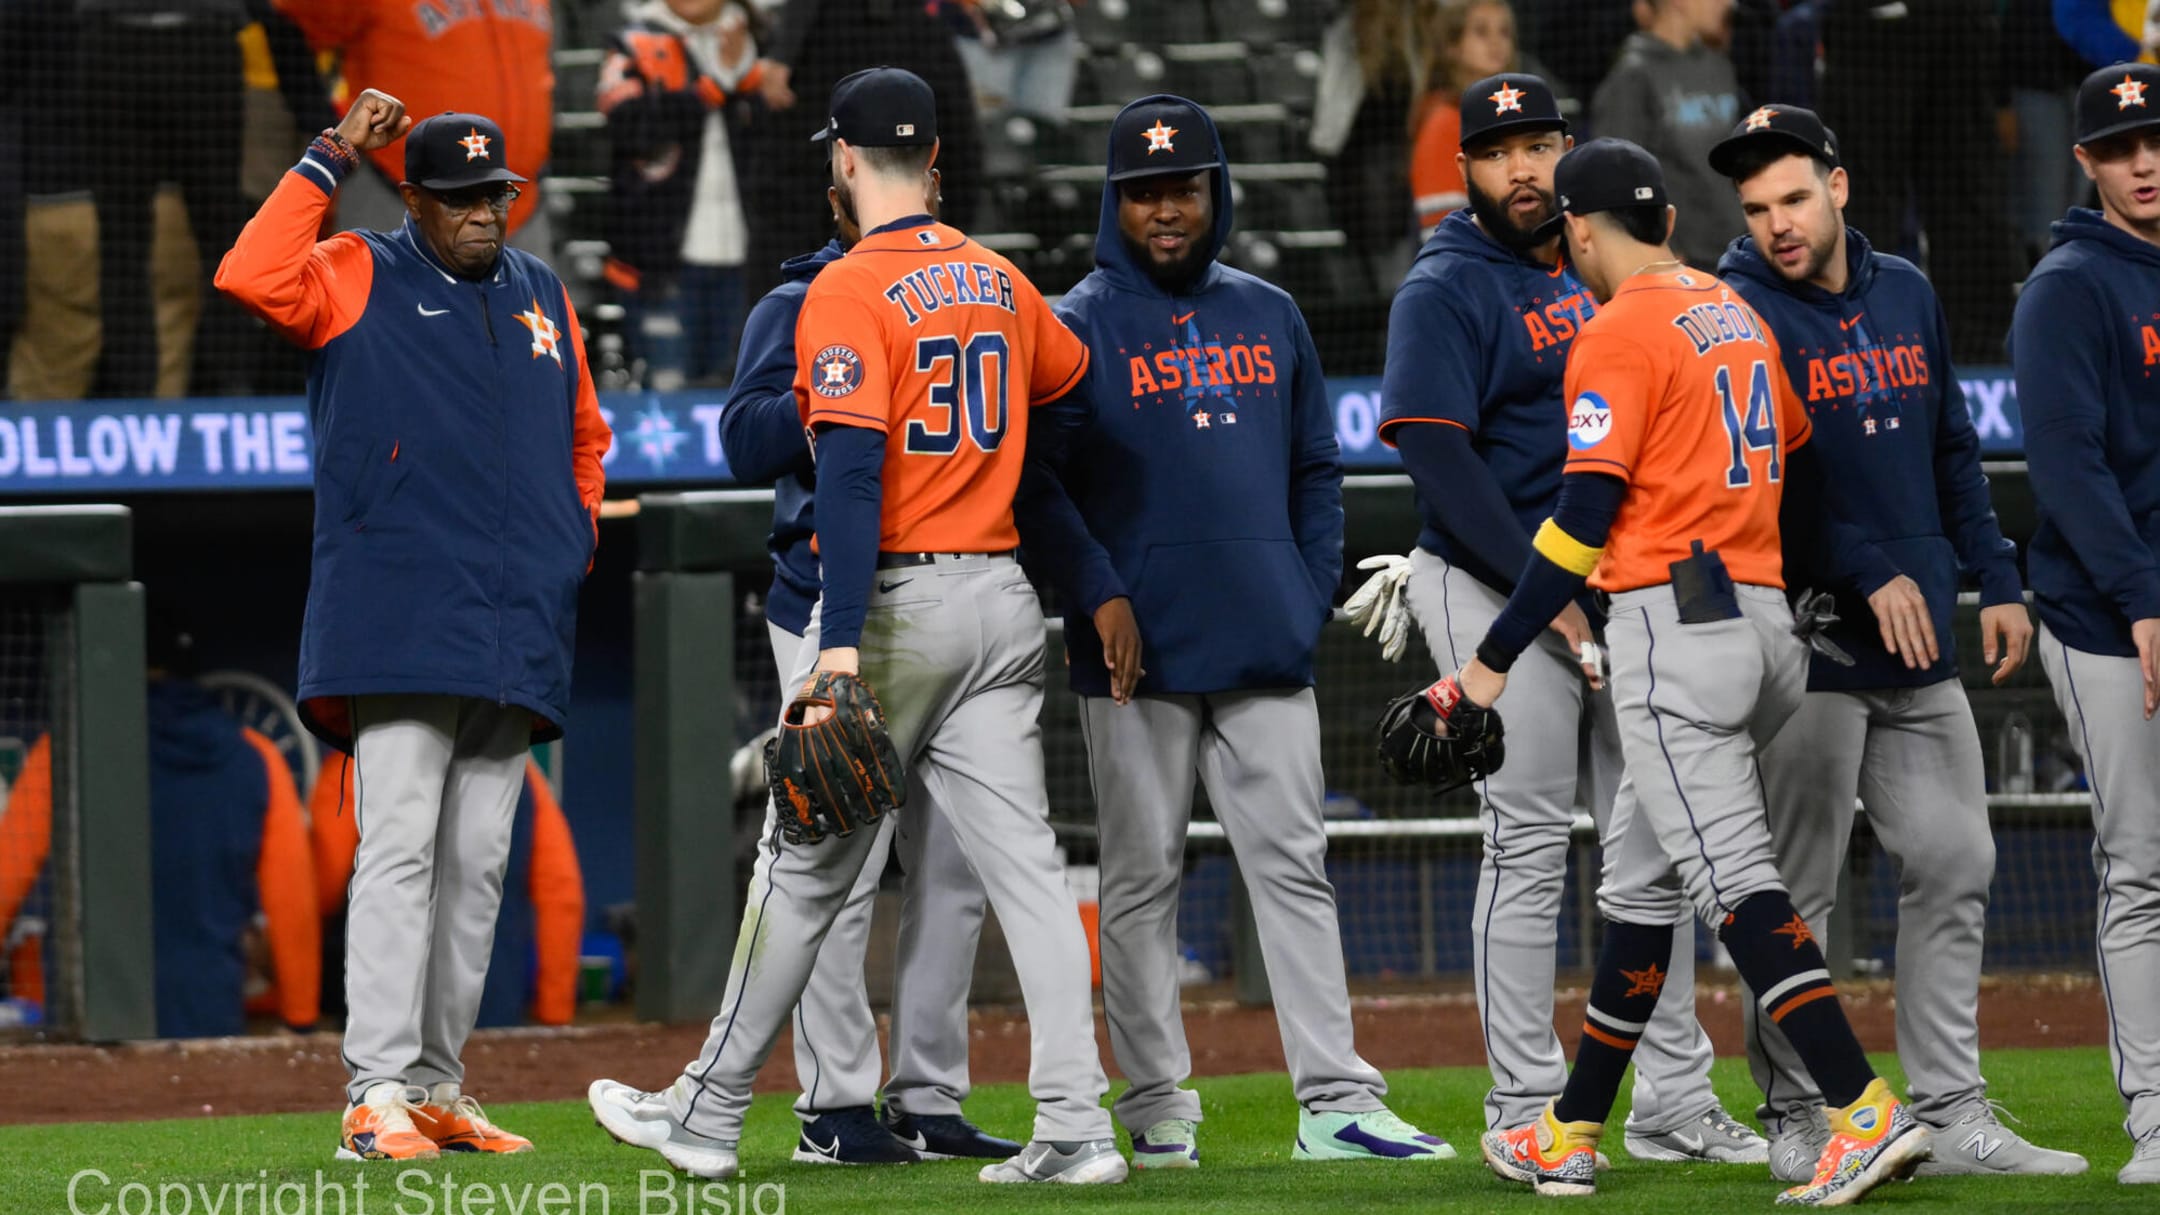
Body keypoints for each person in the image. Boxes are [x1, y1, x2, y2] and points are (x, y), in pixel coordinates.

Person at [587, 66, 1122, 1185]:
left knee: (800, 865)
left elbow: (852, 469)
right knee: (1027, 871)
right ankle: (1078, 1127)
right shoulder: (998, 276)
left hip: (897, 607)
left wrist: (836, 645)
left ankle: (706, 1108)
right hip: (1002, 595)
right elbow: (1080, 390)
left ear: (840, 159)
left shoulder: (842, 287)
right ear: (933, 161)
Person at [1456, 137, 1933, 1205]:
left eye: (1565, 234)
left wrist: (1485, 664)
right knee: (1640, 888)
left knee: (1733, 884)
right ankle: (1572, 1128)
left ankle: (1864, 1113)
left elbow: (1580, 526)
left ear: (1579, 229)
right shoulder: (1738, 312)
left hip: (1676, 631)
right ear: (1667, 218)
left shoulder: (1616, 329)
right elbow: (1801, 469)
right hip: (1762, 627)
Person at [1015, 93, 1443, 1169]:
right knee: (1142, 876)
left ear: (1218, 193)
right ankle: (1157, 1109)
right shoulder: (1072, 321)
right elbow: (1037, 485)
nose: (1169, 210)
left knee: (1294, 868)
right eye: (1148, 192)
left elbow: (1315, 468)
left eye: (1186, 188)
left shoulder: (1270, 311)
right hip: (1131, 656)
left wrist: (1304, 591)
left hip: (1263, 641)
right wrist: (1099, 592)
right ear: (1118, 202)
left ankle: (1337, 1105)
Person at [216, 92, 612, 1161]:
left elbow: (587, 433)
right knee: (398, 850)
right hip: (396, 607)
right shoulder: (355, 271)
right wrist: (329, 153)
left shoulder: (540, 293)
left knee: (480, 858)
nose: (485, 212)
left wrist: (567, 539)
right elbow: (250, 275)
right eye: (460, 197)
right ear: (413, 198)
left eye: (497, 194)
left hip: (514, 617)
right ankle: (373, 1089)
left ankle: (438, 1083)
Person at [1372, 73, 1756, 1164]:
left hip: (1618, 589)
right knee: (1530, 841)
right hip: (1492, 583)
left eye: (1540, 144)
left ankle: (1677, 1102)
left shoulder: (1611, 273)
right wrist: (1554, 605)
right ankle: (1524, 1108)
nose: (1524, 169)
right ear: (1467, 173)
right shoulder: (1445, 286)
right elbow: (1440, 460)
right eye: (1499, 152)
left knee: (1662, 849)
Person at [1711, 103, 2090, 1181]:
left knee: (1957, 858)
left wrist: (1999, 575)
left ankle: (1953, 1109)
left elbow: (1952, 450)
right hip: (1810, 640)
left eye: (1792, 197)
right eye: (1755, 208)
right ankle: (1797, 1115)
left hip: (1921, 635)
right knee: (1799, 889)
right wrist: (1867, 566)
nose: (1777, 224)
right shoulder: (1738, 314)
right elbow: (1769, 487)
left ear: (1839, 186)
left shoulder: (1909, 291)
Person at [712, 157, 1015, 1165]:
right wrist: (832, 386)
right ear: (840, 194)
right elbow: (743, 442)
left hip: (943, 601)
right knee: (838, 860)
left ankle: (927, 1093)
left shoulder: (964, 292)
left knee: (955, 863)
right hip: (824, 612)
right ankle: (834, 1107)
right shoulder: (799, 298)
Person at [2012, 60, 2160, 1188]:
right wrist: (2144, 600)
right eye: (2118, 148)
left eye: (2153, 139)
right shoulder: (2068, 285)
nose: (2142, 161)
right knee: (2143, 862)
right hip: (2108, 615)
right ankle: (2156, 1113)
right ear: (2086, 164)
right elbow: (2065, 468)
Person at [0, 625, 319, 1040]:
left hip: (95, 1018)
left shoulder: (67, 747)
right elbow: (293, 901)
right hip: (207, 1012)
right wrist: (300, 1019)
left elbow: (8, 876)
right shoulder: (254, 755)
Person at [309, 753, 586, 1030]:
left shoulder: (358, 760)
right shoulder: (521, 771)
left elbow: (322, 887)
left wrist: (301, 1009)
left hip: (384, 1000)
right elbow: (561, 895)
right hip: (489, 1002)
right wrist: (554, 1011)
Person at [1814, 0, 2021, 364]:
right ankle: (1864, 347)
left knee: (1968, 189)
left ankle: (1979, 358)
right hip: (1873, 27)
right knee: (1864, 195)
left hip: (1959, 21)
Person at [76, 0, 258, 396]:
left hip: (193, 46)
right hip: (124, 48)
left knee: (222, 235)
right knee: (132, 238)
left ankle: (231, 388)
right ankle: (137, 395)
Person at [275, 0, 558, 252]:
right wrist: (318, 119)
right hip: (398, 195)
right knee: (384, 310)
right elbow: (287, 23)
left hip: (518, 202)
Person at [597, 0, 771, 389]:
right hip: (661, 263)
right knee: (668, 394)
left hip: (745, 260)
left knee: (738, 396)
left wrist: (745, 80)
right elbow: (631, 127)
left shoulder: (757, 37)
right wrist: (710, 88)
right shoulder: (634, 41)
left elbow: (782, 136)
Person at [1590, 0, 1747, 269]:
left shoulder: (1719, 66)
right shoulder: (1633, 75)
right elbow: (1616, 174)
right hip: (1684, 260)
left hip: (1739, 248)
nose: (1728, 3)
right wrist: (1656, 245)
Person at [1409, 0, 1519, 238]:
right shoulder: (1445, 121)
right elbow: (1440, 230)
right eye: (1481, 31)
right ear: (1452, 46)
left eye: (1504, 32)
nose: (1496, 42)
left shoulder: (1508, 114)